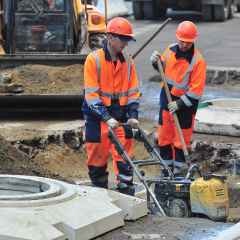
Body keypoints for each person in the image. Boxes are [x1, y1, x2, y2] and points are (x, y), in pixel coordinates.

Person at [82, 17, 140, 195]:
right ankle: (100, 191)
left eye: (127, 40)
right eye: (123, 39)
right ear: (111, 37)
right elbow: (91, 96)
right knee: (97, 156)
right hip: (97, 116)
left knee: (125, 155)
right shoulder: (94, 60)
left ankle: (125, 189)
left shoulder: (128, 62)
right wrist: (106, 117)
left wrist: (132, 116)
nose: (125, 44)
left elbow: (133, 92)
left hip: (122, 115)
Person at [150, 21, 206, 175]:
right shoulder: (169, 50)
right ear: (177, 38)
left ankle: (179, 174)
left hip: (185, 107)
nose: (184, 45)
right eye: (181, 41)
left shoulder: (198, 61)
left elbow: (196, 92)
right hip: (166, 102)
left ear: (193, 41)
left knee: (180, 142)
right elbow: (162, 67)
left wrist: (180, 103)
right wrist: (156, 62)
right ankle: (166, 171)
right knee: (164, 138)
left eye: (187, 42)